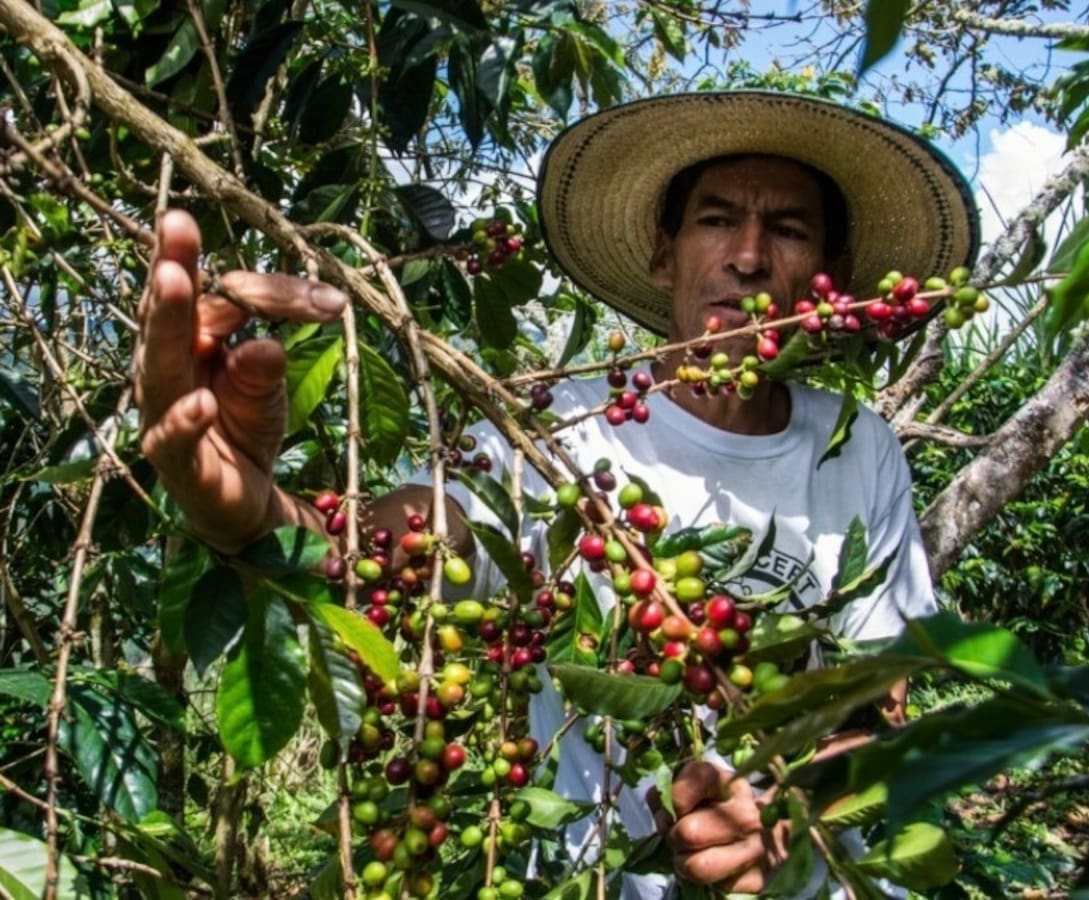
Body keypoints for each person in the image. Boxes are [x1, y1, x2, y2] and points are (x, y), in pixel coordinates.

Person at [135, 90, 978, 896]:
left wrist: (795, 807)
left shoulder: (859, 447)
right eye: (717, 219)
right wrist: (260, 515)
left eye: (787, 230)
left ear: (831, 277)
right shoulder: (561, 430)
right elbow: (416, 539)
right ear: (664, 252)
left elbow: (881, 700)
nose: (749, 256)